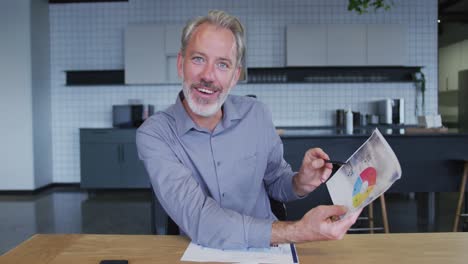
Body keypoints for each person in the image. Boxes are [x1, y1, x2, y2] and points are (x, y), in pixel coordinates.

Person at [136, 10, 361, 249]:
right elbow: (200, 219)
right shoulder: (155, 134)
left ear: (235, 76)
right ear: (181, 64)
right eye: (198, 59)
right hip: (203, 251)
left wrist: (299, 183)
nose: (208, 76)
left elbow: (276, 182)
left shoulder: (256, 114)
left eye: (223, 64)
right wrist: (298, 231)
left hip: (269, 251)